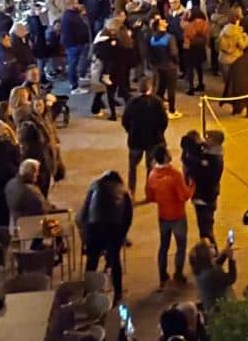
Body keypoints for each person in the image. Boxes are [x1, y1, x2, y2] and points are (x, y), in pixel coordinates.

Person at [145, 143, 194, 288]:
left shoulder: (152, 175)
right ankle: (178, 273)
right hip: (177, 215)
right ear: (165, 157)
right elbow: (184, 196)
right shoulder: (174, 175)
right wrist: (192, 186)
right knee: (180, 246)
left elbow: (150, 196)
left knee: (164, 246)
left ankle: (162, 275)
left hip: (163, 216)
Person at [79, 169, 133, 300]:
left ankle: (87, 292)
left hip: (94, 228)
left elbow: (83, 215)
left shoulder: (94, 187)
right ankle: (118, 293)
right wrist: (122, 236)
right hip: (113, 228)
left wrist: (85, 236)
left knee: (91, 262)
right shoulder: (124, 191)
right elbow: (128, 217)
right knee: (115, 261)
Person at [122, 77, 169, 195]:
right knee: (151, 167)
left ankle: (131, 191)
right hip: (153, 139)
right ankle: (149, 191)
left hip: (135, 139)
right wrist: (160, 133)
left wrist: (130, 131)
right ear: (151, 88)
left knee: (132, 166)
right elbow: (164, 121)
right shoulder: (157, 102)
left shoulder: (132, 102)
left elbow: (125, 120)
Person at [181, 130, 223, 240]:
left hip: (205, 198)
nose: (205, 140)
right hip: (207, 196)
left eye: (208, 138)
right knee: (205, 228)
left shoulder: (211, 160)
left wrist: (192, 155)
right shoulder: (210, 154)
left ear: (214, 142)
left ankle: (212, 254)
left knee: (206, 231)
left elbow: (196, 171)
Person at [189, 235, 236, 314]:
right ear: (206, 254)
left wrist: (225, 251)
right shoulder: (213, 272)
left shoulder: (200, 266)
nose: (213, 245)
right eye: (210, 246)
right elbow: (231, 279)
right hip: (219, 307)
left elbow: (216, 263)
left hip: (208, 303)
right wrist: (231, 260)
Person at [148, 16, 182, 118]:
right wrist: (177, 62)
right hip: (170, 66)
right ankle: (172, 110)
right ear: (159, 26)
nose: (165, 22)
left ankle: (158, 109)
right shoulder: (169, 37)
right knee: (171, 89)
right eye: (163, 22)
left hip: (158, 67)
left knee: (160, 89)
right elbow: (174, 53)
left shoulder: (153, 38)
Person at [5, 158, 52, 222]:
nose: (38, 174)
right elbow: (45, 210)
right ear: (32, 172)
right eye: (37, 171)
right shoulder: (31, 191)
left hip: (17, 221)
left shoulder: (10, 184)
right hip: (33, 223)